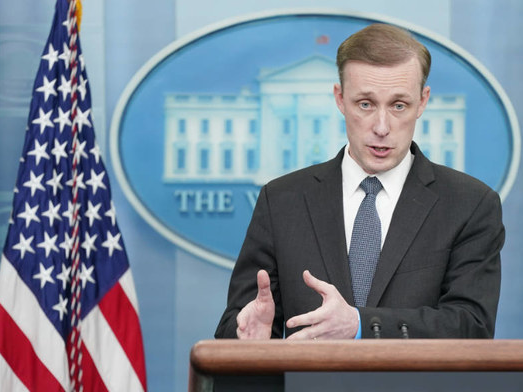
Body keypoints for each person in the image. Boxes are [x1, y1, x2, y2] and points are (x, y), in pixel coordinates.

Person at [214, 23, 505, 340]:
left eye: (398, 105)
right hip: (308, 389)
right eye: (365, 104)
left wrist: (361, 325)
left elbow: (471, 327)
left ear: (422, 102)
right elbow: (237, 324)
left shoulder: (470, 205)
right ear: (340, 98)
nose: (381, 127)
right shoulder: (282, 201)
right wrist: (248, 337)